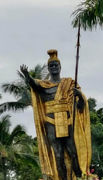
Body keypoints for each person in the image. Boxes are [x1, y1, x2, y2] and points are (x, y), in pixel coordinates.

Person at [20, 49, 92, 180]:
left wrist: (79, 96)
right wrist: (27, 76)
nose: (54, 67)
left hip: (68, 121)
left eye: (56, 65)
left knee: (73, 152)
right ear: (48, 68)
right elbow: (34, 85)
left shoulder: (69, 83)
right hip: (51, 122)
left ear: (60, 67)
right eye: (51, 66)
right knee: (58, 155)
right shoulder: (44, 85)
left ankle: (80, 177)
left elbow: (81, 105)